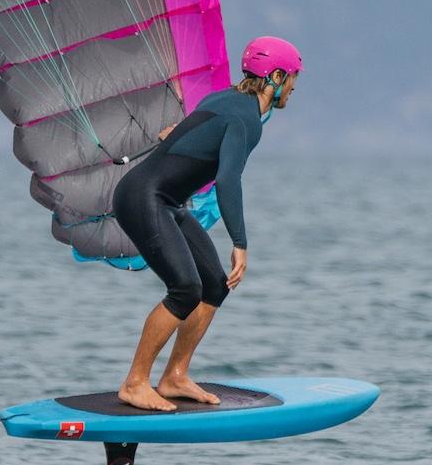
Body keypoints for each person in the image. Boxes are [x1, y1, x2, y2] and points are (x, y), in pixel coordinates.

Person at [110, 36, 302, 411]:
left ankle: (175, 376)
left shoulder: (226, 99)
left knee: (213, 285)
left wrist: (176, 136)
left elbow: (193, 131)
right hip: (143, 197)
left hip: (166, 201)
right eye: (293, 78)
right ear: (276, 76)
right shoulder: (247, 118)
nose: (293, 88)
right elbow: (229, 179)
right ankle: (134, 383)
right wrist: (240, 243)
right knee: (184, 288)